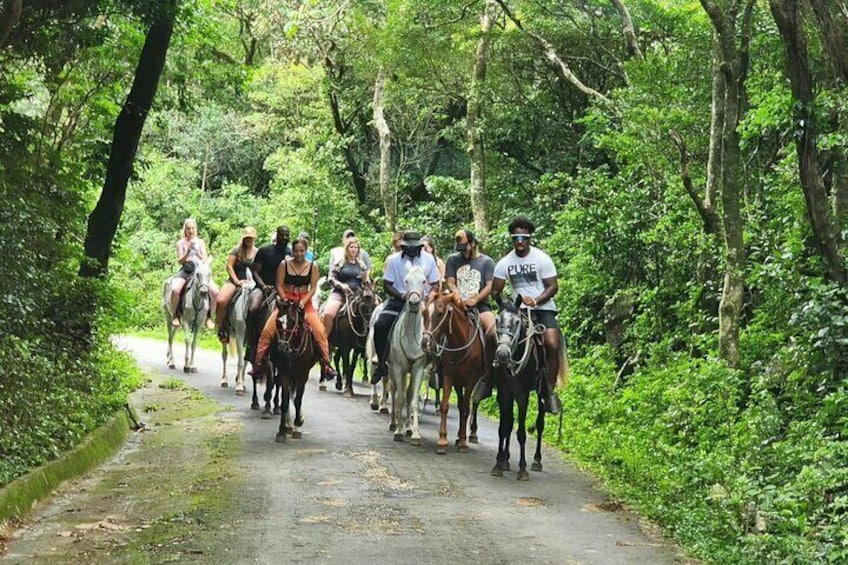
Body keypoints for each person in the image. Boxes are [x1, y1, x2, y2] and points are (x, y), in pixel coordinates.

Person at [476, 216, 562, 414]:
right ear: (512, 239)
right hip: (516, 310)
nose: (519, 242)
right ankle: (488, 378)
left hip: (543, 308)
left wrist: (537, 300)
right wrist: (505, 303)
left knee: (552, 342)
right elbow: (496, 290)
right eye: (516, 238)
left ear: (529, 238)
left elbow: (553, 286)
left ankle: (549, 390)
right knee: (490, 335)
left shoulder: (542, 259)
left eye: (523, 238)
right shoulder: (505, 262)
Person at [253, 236, 339, 380]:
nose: (299, 254)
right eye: (296, 251)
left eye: (302, 251)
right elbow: (279, 284)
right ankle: (259, 363)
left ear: (306, 251)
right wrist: (284, 298)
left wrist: (303, 301)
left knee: (319, 330)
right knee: (267, 330)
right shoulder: (284, 264)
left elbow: (313, 288)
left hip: (305, 301)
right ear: (292, 251)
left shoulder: (313, 266)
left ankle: (326, 364)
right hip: (286, 301)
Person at [370, 230, 441, 384]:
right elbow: (387, 284)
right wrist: (401, 295)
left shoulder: (428, 260)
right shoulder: (394, 260)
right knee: (380, 325)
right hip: (399, 300)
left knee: (438, 326)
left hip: (422, 300)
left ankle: (436, 366)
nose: (411, 250)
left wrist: (430, 297)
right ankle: (382, 364)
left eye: (414, 247)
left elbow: (436, 283)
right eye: (408, 247)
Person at [247, 225, 292, 364]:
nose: (284, 238)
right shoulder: (265, 251)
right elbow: (255, 272)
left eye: (287, 235)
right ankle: (250, 342)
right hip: (264, 288)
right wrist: (263, 286)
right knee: (253, 308)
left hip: (283, 290)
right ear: (277, 236)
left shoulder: (290, 254)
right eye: (282, 235)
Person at [445, 228, 496, 339]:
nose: (463, 252)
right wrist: (456, 293)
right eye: (460, 249)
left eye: (465, 248)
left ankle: (493, 356)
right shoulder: (452, 260)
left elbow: (490, 285)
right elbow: (450, 281)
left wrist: (476, 299)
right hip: (457, 306)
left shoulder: (487, 262)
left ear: (472, 243)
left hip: (480, 307)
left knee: (493, 332)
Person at [169, 218, 218, 328]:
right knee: (175, 289)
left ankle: (209, 316)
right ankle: (175, 315)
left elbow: (205, 258)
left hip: (200, 270)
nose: (191, 231)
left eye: (193, 228)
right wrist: (188, 252)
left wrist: (198, 253)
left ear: (196, 229)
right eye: (188, 229)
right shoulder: (180, 243)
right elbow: (180, 261)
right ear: (185, 230)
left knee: (215, 291)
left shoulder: (200, 242)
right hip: (187, 270)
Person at [215, 226, 258, 343]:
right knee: (221, 300)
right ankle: (221, 328)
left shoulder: (257, 252)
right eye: (247, 238)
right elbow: (229, 266)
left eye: (251, 238)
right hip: (236, 280)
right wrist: (237, 281)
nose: (249, 240)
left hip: (252, 282)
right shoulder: (236, 250)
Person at [322, 236, 370, 338]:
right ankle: (323, 341)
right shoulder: (340, 263)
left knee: (371, 309)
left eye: (355, 247)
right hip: (340, 293)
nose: (353, 249)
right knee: (328, 314)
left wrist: (366, 281)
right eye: (351, 247)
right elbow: (331, 278)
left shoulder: (361, 265)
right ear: (347, 249)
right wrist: (341, 285)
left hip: (358, 294)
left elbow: (366, 282)